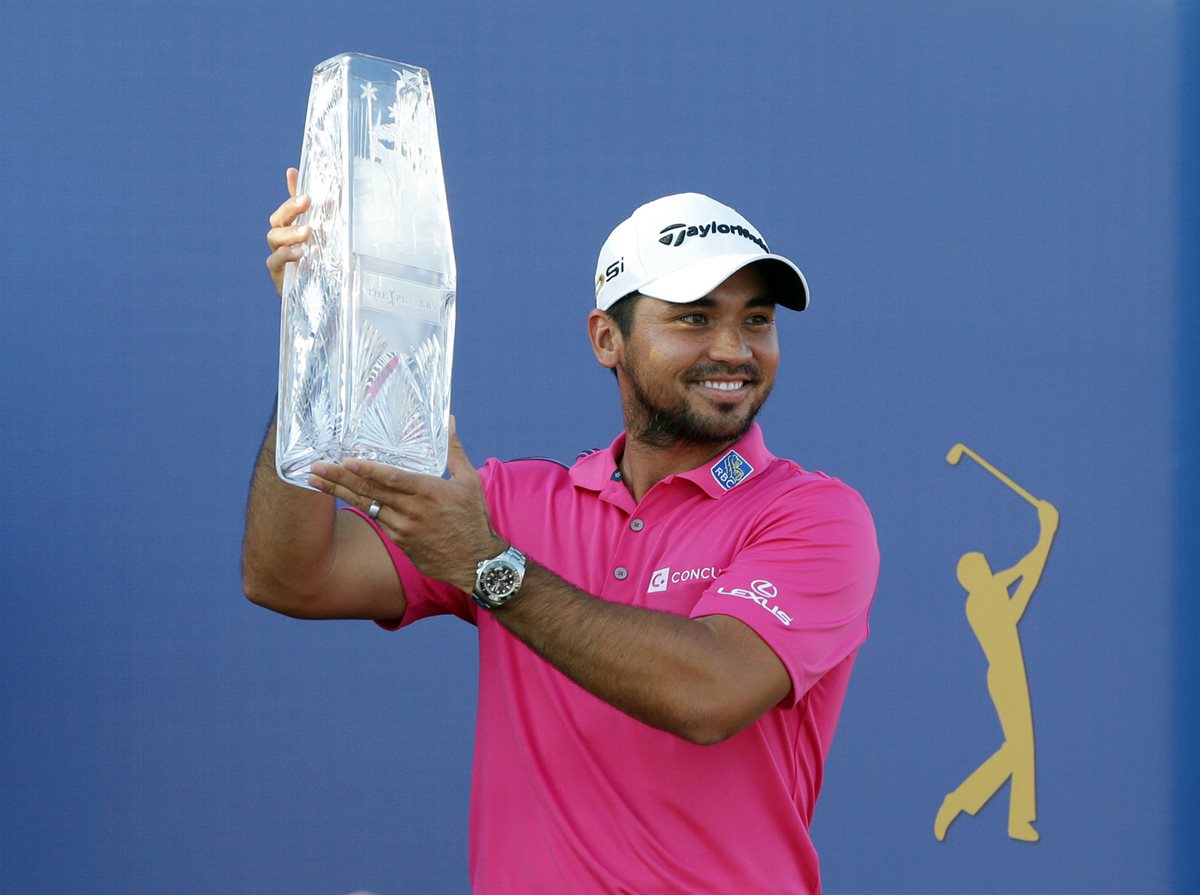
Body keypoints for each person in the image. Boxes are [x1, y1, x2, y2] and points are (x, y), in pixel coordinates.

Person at [243, 171, 880, 894]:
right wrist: (313, 342)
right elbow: (290, 574)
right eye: (695, 318)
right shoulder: (511, 502)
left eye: (756, 319)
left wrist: (488, 565)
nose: (735, 348)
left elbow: (712, 692)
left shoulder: (813, 513)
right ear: (607, 337)